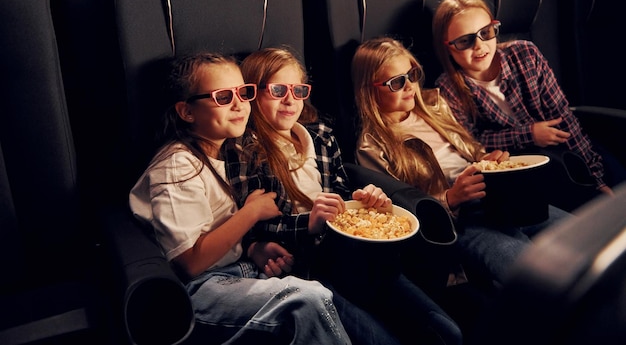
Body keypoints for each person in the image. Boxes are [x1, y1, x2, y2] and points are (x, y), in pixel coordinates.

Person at [227, 46, 463, 345]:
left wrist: (364, 201)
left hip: (357, 258)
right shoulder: (244, 150)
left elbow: (340, 193)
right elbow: (255, 224)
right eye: (277, 90)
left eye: (298, 90)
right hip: (310, 269)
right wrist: (309, 223)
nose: (290, 100)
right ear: (253, 93)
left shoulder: (322, 137)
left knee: (447, 333)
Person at [128, 52, 353, 344]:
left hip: (242, 270)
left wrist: (253, 249)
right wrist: (251, 213)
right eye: (223, 97)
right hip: (199, 288)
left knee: (323, 287)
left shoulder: (231, 152)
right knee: (308, 299)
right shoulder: (177, 165)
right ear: (187, 112)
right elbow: (189, 262)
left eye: (243, 93)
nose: (239, 105)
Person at [351, 36, 572, 292]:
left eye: (412, 74)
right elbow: (397, 211)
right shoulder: (372, 145)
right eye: (396, 82)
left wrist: (487, 161)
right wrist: (450, 198)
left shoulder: (434, 105)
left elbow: (471, 149)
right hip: (461, 220)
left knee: (583, 238)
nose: (410, 86)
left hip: (496, 197)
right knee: (537, 274)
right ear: (370, 89)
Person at [432, 0, 625, 206]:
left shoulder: (525, 54)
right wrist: (529, 134)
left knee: (614, 186)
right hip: (522, 171)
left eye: (486, 33)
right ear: (448, 46)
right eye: (465, 41)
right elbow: (470, 144)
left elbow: (564, 119)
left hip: (572, 153)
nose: (479, 46)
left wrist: (596, 178)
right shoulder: (448, 88)